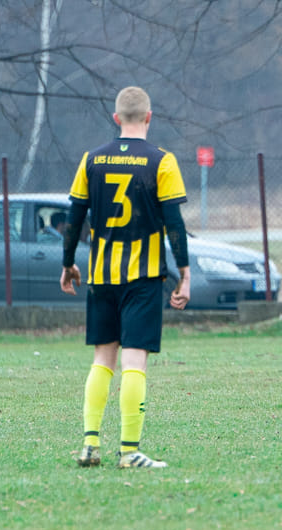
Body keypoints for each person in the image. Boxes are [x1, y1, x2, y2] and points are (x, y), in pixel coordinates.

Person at [61, 86, 191, 468]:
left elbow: (74, 218)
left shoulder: (91, 160)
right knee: (134, 361)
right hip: (143, 276)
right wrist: (184, 273)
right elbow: (174, 224)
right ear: (149, 117)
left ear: (116, 119)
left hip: (101, 276)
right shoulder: (161, 162)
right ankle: (130, 451)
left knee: (103, 359)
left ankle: (89, 444)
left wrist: (68, 263)